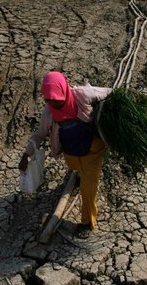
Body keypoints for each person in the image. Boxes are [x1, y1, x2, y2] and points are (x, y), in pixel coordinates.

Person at [19, 71, 112, 238]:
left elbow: (110, 92)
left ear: (64, 90)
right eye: (48, 99)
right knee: (74, 166)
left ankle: (87, 223)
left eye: (56, 98)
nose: (53, 102)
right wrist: (26, 155)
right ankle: (79, 174)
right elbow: (39, 135)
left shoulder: (83, 95)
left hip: (93, 148)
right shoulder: (48, 113)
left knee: (88, 187)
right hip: (71, 150)